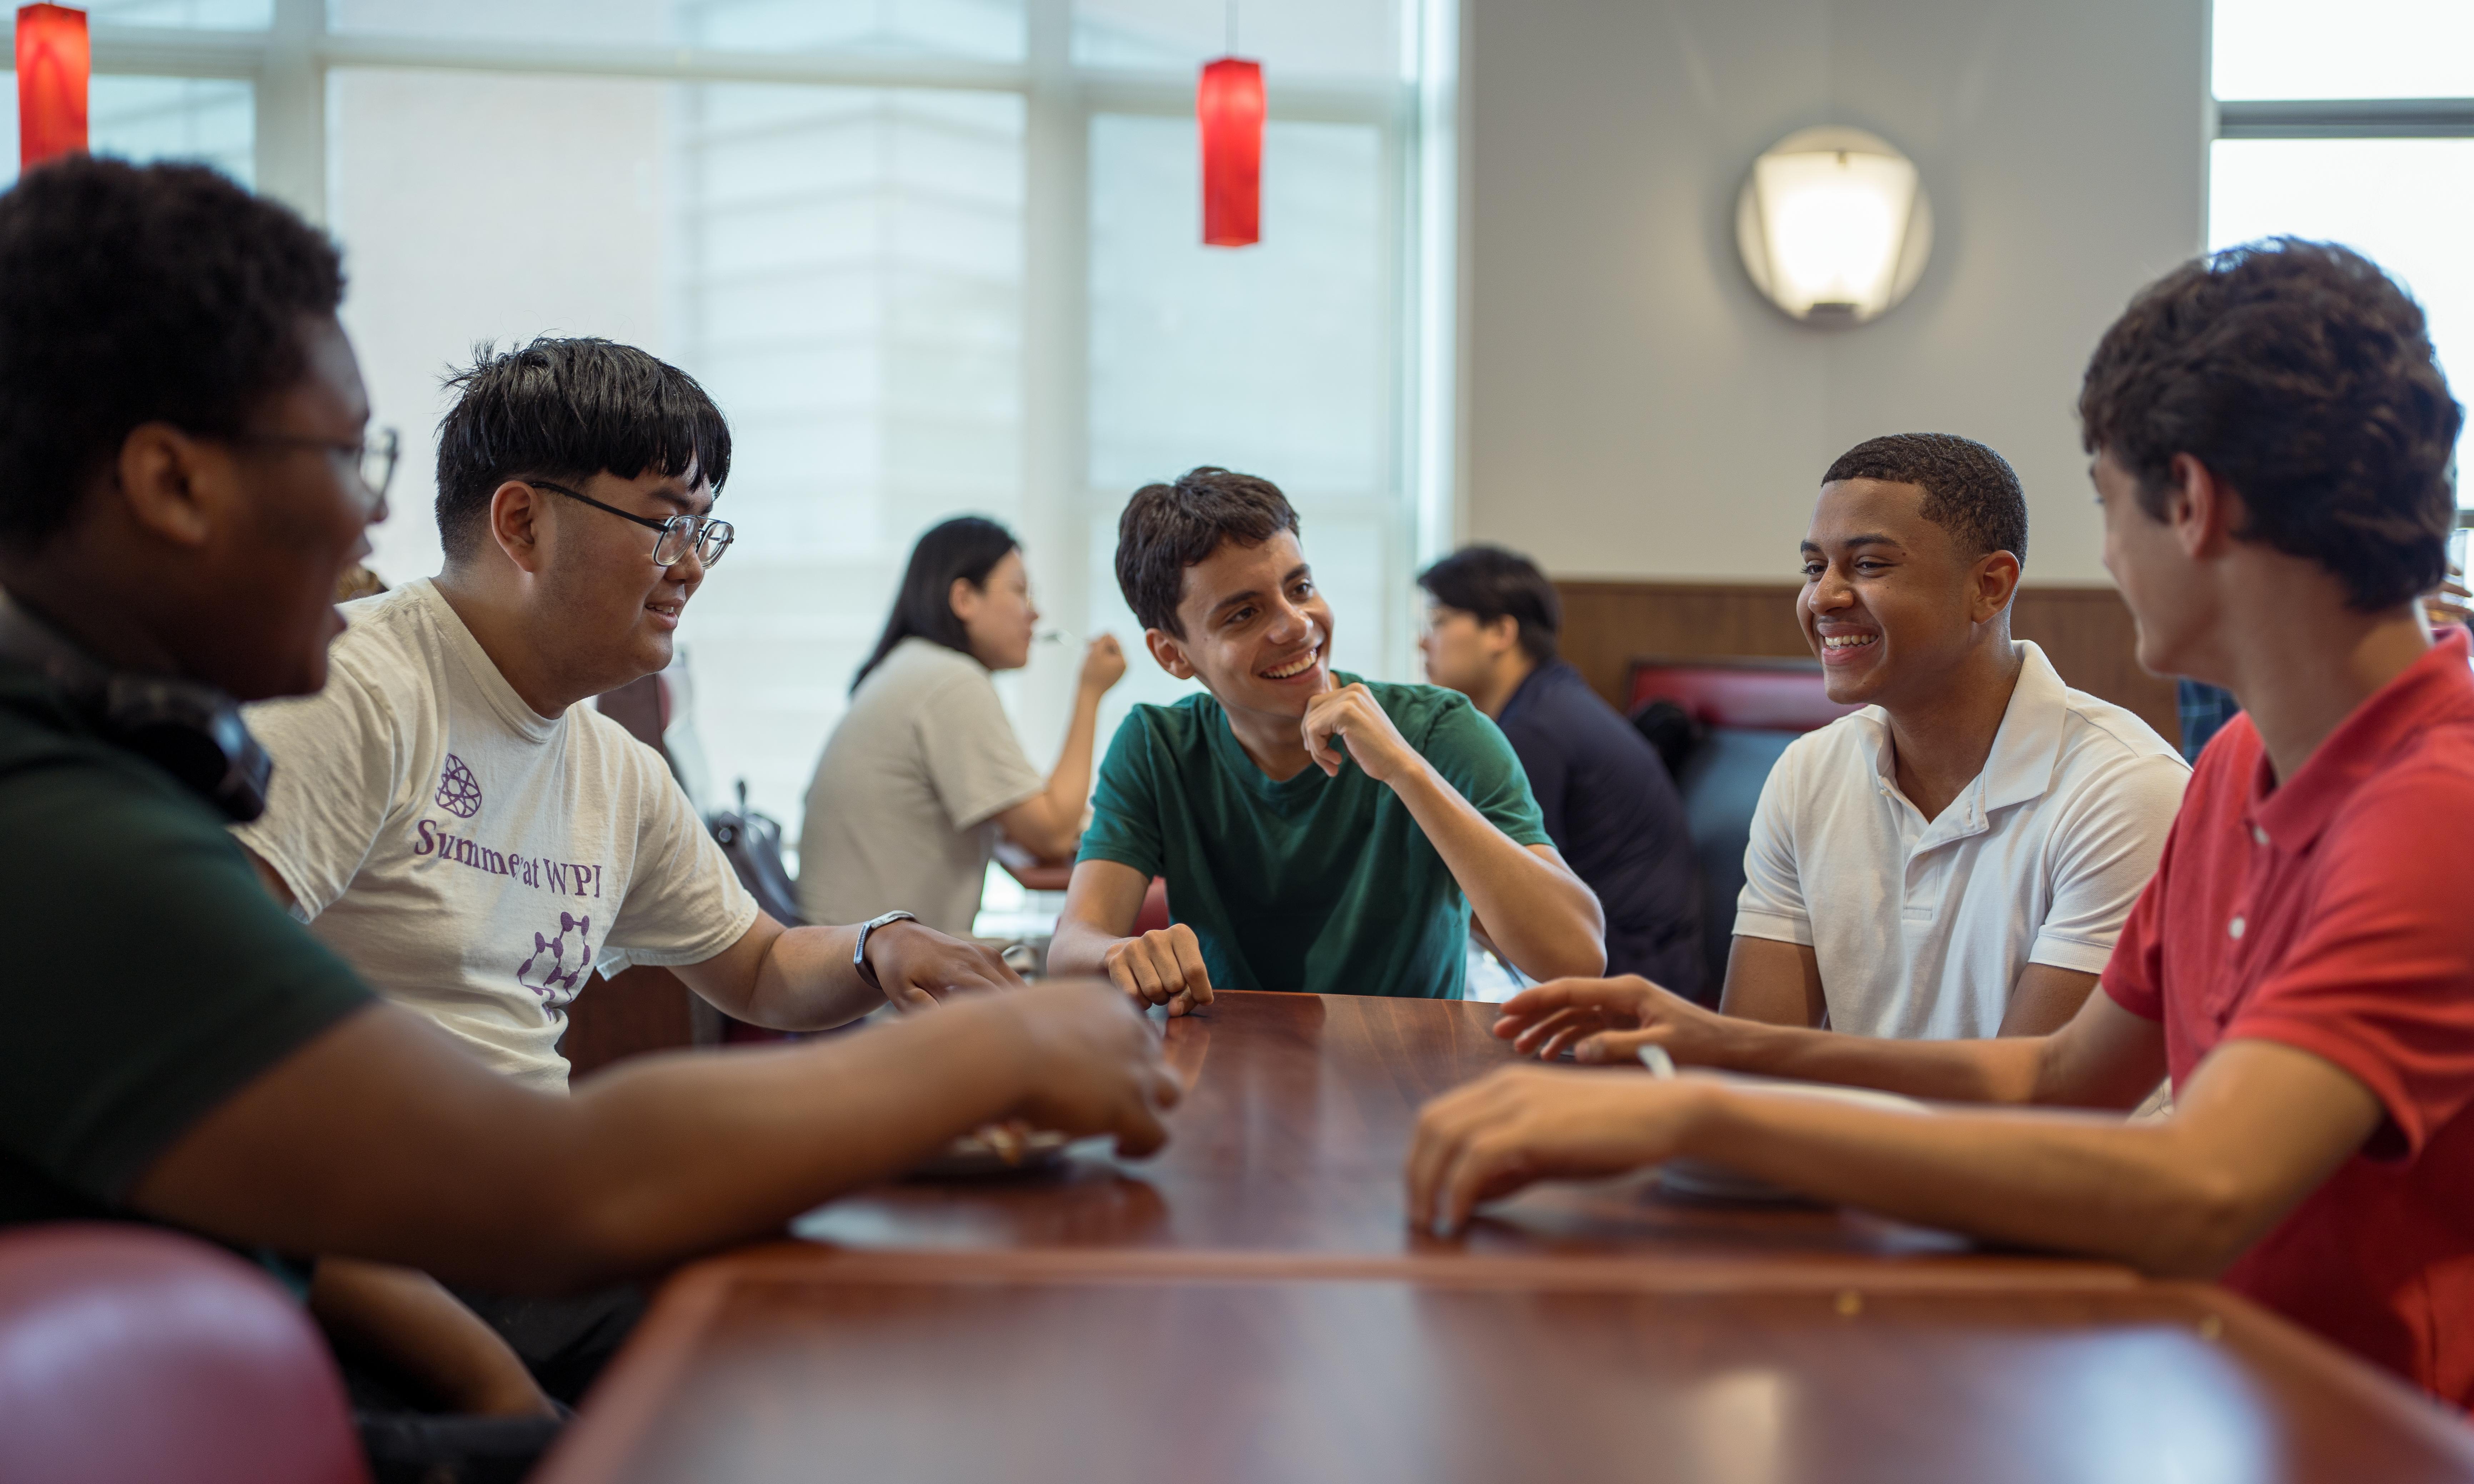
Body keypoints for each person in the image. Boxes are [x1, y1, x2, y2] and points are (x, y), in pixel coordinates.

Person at [0, 156, 1177, 1465]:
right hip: (344, 1318)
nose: (376, 507)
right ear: (171, 484)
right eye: (345, 454)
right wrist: (994, 1052)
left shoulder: (582, 756)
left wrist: (880, 947)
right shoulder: (70, 818)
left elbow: (741, 966)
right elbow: (544, 1181)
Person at [1405, 239, 2474, 1407]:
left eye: (2108, 508)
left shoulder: (2436, 805)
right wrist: (1716, 1047)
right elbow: (2061, 1078)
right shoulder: (2232, 766)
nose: (2110, 556)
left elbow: (2199, 1185)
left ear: (2192, 504)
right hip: (2218, 1379)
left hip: (2371, 1425)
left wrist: (1701, 1109)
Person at [1046, 467, 1606, 1007]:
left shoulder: (1439, 728)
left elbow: (1576, 955)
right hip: (1228, 1068)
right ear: (1173, 653)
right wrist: (1122, 952)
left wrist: (1405, 769)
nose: (1296, 624)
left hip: (1404, 1070)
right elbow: (1074, 944)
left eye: (1300, 587)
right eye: (1243, 613)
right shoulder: (1156, 745)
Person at [1720, 433, 2186, 1040]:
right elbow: (1752, 1061)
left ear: (1989, 586)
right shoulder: (1808, 771)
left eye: (1868, 565)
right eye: (1814, 567)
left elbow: (2037, 1096)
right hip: (1852, 1136)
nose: (1824, 597)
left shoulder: (2129, 790)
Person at [799, 516, 1126, 935]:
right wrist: (1090, 692)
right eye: (1020, 592)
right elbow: (1052, 834)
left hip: (853, 954)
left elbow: (1035, 819)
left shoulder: (914, 666)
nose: (1035, 613)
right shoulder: (950, 682)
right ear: (964, 599)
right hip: (876, 981)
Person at [1416, 544, 1700, 993]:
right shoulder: (1550, 702)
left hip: (1627, 975)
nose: (1422, 641)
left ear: (1499, 633)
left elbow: (1516, 903)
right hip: (1640, 955)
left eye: (1438, 622)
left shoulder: (1536, 731)